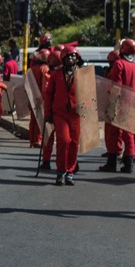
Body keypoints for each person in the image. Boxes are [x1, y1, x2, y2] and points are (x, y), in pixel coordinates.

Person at [99, 39, 135, 173]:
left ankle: (112, 163)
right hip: (133, 103)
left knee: (114, 133)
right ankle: (129, 163)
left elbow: (116, 86)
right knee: (129, 133)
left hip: (120, 103)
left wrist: (112, 105)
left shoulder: (119, 64)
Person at [44, 46, 83, 186]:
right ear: (63, 59)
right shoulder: (56, 75)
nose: (71, 59)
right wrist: (47, 113)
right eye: (68, 57)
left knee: (74, 143)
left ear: (77, 58)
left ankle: (70, 172)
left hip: (76, 114)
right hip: (60, 113)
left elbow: (90, 95)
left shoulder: (83, 74)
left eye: (73, 56)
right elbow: (49, 95)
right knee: (63, 140)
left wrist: (88, 112)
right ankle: (60, 171)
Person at [28, 49, 50, 148]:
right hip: (40, 99)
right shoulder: (45, 69)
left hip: (32, 97)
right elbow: (45, 87)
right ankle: (38, 140)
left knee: (33, 119)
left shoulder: (31, 69)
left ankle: (32, 140)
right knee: (40, 120)